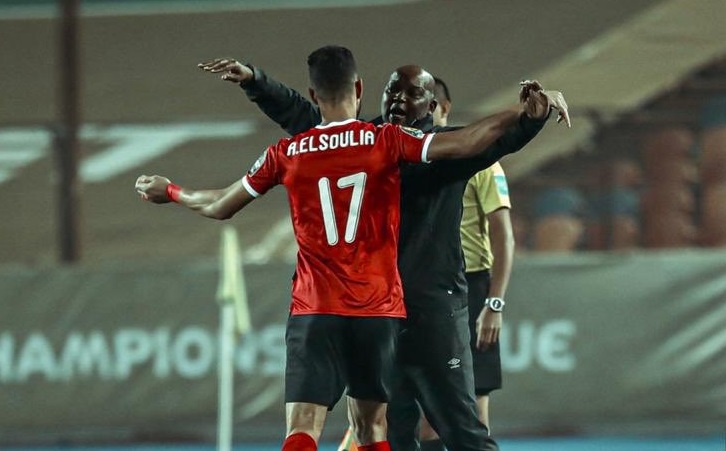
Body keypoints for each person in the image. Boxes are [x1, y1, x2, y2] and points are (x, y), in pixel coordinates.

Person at [197, 57, 569, 451]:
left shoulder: (444, 152)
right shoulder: (368, 140)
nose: (399, 99)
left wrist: (532, 117)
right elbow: (306, 118)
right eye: (393, 89)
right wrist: (256, 82)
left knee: (463, 433)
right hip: (378, 316)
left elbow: (499, 141)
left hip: (433, 315)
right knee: (393, 434)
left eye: (413, 93)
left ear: (432, 107)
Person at [413, 77, 516, 451]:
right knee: (428, 417)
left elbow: (503, 234)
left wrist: (495, 302)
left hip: (472, 287)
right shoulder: (412, 161)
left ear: (444, 108)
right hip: (430, 288)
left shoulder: (481, 161)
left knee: (475, 409)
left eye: (431, 108)